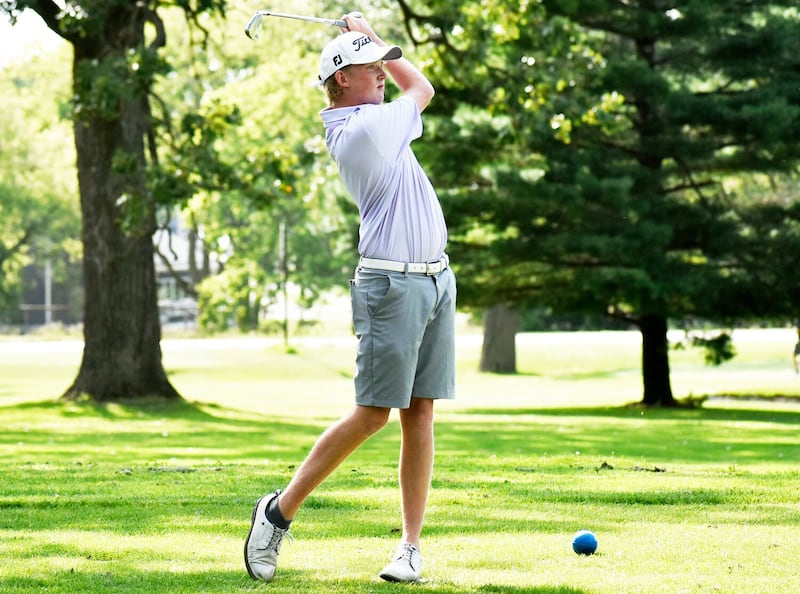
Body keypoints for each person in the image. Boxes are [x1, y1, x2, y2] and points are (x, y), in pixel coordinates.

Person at [244, 12, 456, 584]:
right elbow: (424, 87)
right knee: (373, 414)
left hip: (435, 278)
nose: (383, 73)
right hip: (392, 284)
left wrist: (368, 42)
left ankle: (409, 548)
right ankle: (278, 512)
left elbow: (407, 87)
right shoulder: (364, 129)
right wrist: (370, 32)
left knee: (421, 412)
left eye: (382, 64)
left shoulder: (376, 117)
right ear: (342, 79)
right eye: (371, 67)